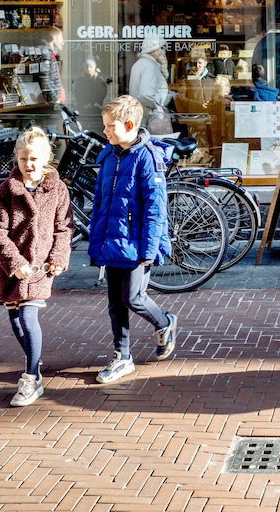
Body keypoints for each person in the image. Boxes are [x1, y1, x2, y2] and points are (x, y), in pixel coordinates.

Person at [88, 94, 178, 384]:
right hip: (113, 241)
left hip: (137, 243)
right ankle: (122, 356)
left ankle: (165, 322)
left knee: (133, 298)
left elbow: (155, 208)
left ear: (128, 125)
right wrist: (97, 239)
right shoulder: (109, 155)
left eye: (110, 126)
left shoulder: (147, 158)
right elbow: (101, 199)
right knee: (115, 302)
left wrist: (149, 250)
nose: (105, 131)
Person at [0, 126, 74, 407]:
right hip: (12, 266)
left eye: (34, 159)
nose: (28, 165)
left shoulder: (58, 189)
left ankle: (31, 377)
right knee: (15, 318)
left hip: (40, 267)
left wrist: (59, 258)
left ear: (47, 158)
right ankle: (33, 361)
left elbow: (64, 227)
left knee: (27, 317)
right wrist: (14, 262)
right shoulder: (5, 190)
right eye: (23, 159)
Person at [129, 32, 174, 134]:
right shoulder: (149, 66)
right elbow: (146, 95)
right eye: (160, 48)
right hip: (150, 118)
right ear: (153, 49)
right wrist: (159, 105)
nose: (162, 51)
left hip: (142, 118)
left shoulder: (140, 64)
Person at [73, 57, 110, 122]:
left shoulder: (99, 80)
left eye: (91, 67)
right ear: (84, 68)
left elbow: (102, 94)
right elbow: (77, 93)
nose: (88, 69)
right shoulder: (80, 80)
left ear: (94, 68)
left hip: (96, 108)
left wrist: (92, 103)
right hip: (83, 108)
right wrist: (84, 103)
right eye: (86, 67)